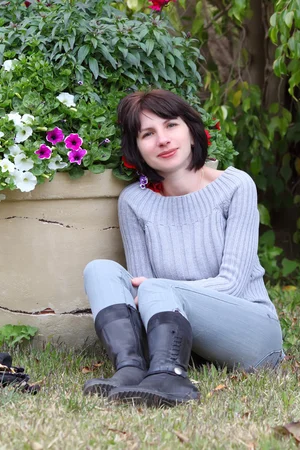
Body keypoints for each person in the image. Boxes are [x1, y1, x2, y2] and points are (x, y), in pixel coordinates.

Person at [82, 89, 284, 407]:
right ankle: (132, 369)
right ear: (135, 149)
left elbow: (231, 283)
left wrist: (163, 289)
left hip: (253, 336)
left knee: (155, 289)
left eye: (171, 125)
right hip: (182, 338)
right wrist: (157, 291)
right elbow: (141, 290)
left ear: (191, 130)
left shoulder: (236, 186)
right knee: (100, 271)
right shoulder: (134, 202)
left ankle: (171, 377)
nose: (163, 139)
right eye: (148, 133)